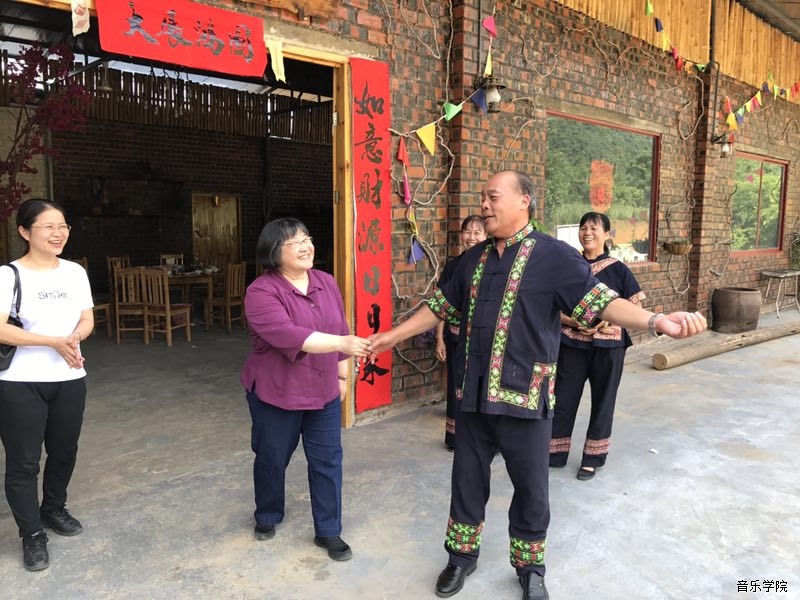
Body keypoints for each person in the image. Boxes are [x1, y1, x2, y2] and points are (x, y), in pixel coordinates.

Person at [368, 171, 707, 600]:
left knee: (531, 488)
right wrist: (390, 337)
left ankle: (529, 568)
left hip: (525, 398)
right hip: (473, 397)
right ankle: (460, 558)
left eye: (492, 197)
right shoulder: (472, 261)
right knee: (466, 482)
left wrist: (656, 320)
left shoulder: (554, 257)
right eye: (483, 197)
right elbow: (440, 306)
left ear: (523, 200)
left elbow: (602, 301)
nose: (484, 206)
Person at [241, 217, 371, 562]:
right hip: (276, 392)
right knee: (272, 457)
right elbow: (289, 334)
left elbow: (339, 326)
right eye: (295, 242)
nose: (306, 246)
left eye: (307, 239)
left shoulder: (326, 282)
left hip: (323, 389)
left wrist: (342, 377)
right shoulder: (261, 292)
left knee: (327, 460)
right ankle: (267, 513)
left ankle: (329, 530)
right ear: (274, 251)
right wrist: (343, 343)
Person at [0, 198, 94, 572]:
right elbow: (1, 329)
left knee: (64, 451)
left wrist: (73, 337)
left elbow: (87, 318)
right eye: (48, 226)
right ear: (25, 232)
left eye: (63, 226)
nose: (58, 233)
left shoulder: (75, 272)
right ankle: (32, 534)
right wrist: (52, 342)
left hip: (70, 378)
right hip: (20, 383)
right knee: (24, 463)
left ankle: (53, 508)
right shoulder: (9, 275)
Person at [549, 212, 644, 481]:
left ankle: (592, 458)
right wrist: (575, 321)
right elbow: (552, 307)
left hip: (609, 346)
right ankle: (555, 452)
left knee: (603, 400)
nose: (587, 232)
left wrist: (605, 321)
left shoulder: (618, 269)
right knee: (563, 398)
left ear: (607, 234)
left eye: (594, 228)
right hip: (572, 343)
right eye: (583, 228)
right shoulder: (570, 267)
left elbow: (635, 307)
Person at [435, 215, 486, 451]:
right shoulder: (453, 267)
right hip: (456, 339)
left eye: (477, 232)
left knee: (483, 388)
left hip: (485, 342)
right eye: (468, 231)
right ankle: (456, 438)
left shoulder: (494, 266)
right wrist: (439, 339)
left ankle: (486, 439)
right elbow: (440, 305)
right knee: (457, 388)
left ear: (486, 236)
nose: (471, 237)